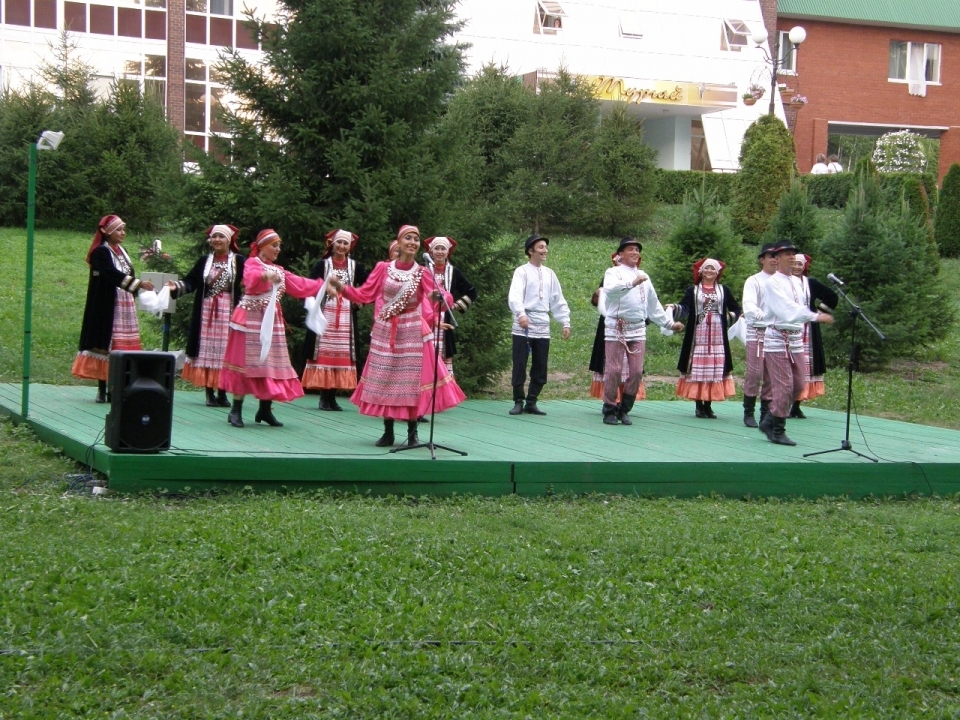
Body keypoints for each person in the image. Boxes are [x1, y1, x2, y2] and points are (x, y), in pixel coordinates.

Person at [326, 225, 466, 447]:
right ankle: (388, 431)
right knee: (385, 378)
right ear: (399, 242)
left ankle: (412, 433)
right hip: (385, 330)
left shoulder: (422, 272)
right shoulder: (383, 268)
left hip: (411, 330)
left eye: (416, 239)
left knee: (410, 381)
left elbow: (444, 297)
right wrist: (342, 288)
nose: (413, 242)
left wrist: (439, 297)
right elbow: (365, 294)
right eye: (408, 238)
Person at [219, 229, 326, 428]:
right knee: (244, 364)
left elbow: (299, 284)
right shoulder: (253, 263)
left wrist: (324, 286)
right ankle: (236, 410)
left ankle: (265, 409)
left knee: (269, 364)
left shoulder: (279, 270)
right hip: (249, 320)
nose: (278, 249)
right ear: (262, 247)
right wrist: (265, 275)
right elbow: (250, 279)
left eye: (279, 246)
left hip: (271, 321)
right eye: (274, 245)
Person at [72, 215, 155, 403]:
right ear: (107, 232)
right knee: (107, 344)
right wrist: (138, 284)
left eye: (123, 229)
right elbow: (111, 274)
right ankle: (103, 389)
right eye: (118, 229)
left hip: (124, 302)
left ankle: (117, 388)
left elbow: (127, 273)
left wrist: (139, 290)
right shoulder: (100, 252)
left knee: (122, 344)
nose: (122, 233)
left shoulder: (122, 251)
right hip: (107, 303)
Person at [599, 238, 682, 425]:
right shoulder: (613, 272)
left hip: (637, 328)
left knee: (636, 371)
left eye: (637, 249)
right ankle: (609, 408)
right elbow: (610, 292)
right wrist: (632, 283)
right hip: (616, 327)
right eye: (630, 249)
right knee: (614, 370)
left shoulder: (644, 276)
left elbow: (653, 304)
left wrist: (669, 324)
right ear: (621, 254)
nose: (635, 252)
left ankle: (624, 409)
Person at [760, 241, 834, 445]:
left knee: (800, 383)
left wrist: (813, 314)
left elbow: (801, 306)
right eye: (787, 254)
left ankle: (769, 419)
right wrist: (815, 316)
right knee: (784, 385)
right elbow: (785, 308)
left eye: (793, 253)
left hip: (795, 339)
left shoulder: (798, 282)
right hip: (777, 338)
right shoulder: (773, 283)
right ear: (777, 259)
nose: (792, 257)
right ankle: (778, 430)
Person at [167, 224, 244, 407]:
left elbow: (249, 279)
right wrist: (176, 286)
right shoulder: (205, 261)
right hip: (207, 312)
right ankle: (209, 392)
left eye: (221, 236)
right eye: (214, 236)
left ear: (229, 240)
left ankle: (222, 392)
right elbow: (191, 281)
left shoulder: (238, 261)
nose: (217, 240)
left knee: (226, 349)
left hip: (228, 310)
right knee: (206, 349)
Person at [300, 229, 368, 411]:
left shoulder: (355, 267)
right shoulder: (322, 265)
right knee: (324, 352)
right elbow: (309, 285)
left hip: (346, 317)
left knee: (341, 353)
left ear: (349, 247)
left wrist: (359, 301)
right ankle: (324, 396)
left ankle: (332, 397)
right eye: (339, 242)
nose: (342, 246)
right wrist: (323, 292)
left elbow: (369, 286)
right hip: (325, 313)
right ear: (332, 244)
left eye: (345, 243)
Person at [507, 234, 571, 416]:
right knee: (519, 364)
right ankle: (518, 400)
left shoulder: (550, 274)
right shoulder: (521, 272)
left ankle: (532, 401)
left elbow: (558, 299)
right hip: (523, 325)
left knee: (540, 365)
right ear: (531, 251)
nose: (545, 251)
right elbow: (515, 295)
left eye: (545, 247)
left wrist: (565, 321)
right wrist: (521, 314)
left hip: (542, 324)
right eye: (541, 247)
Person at [672, 258, 742, 418]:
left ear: (717, 273)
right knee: (698, 367)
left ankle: (708, 405)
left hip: (717, 335)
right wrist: (674, 308)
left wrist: (728, 318)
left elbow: (736, 309)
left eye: (713, 269)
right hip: (699, 334)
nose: (709, 271)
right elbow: (685, 307)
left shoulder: (723, 290)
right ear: (701, 272)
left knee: (714, 367)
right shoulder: (693, 290)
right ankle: (699, 405)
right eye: (707, 268)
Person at [789, 253, 838, 418]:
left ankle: (796, 405)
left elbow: (832, 296)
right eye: (794, 263)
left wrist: (819, 312)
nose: (797, 267)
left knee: (805, 364)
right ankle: (784, 404)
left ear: (804, 267)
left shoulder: (810, 283)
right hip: (788, 326)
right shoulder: (783, 282)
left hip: (807, 330)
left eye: (800, 264)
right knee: (788, 364)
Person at [424, 236, 477, 378]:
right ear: (431, 251)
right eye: (437, 248)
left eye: (443, 249)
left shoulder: (453, 272)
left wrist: (454, 306)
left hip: (444, 319)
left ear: (448, 252)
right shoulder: (423, 270)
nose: (440, 252)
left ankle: (443, 387)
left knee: (443, 355)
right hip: (425, 318)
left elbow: (471, 292)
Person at [741, 243, 778, 428]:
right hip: (757, 330)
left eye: (777, 256)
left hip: (776, 333)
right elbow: (749, 305)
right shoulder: (754, 280)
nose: (774, 260)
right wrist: (764, 317)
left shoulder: (784, 282)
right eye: (771, 256)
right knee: (755, 372)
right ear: (762, 260)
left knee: (771, 374)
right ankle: (748, 411)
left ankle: (765, 412)